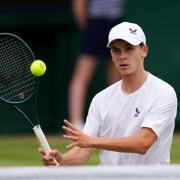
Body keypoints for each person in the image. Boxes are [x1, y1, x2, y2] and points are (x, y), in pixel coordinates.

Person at [39, 22, 177, 165]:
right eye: (116, 50)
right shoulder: (101, 99)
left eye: (129, 49)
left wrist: (93, 141)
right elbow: (83, 151)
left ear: (144, 50)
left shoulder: (163, 92)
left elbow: (143, 143)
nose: (122, 56)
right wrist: (61, 160)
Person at [68, 0, 126, 129]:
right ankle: (76, 123)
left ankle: (117, 122)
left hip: (116, 23)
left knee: (116, 79)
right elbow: (79, 4)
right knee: (82, 76)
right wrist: (89, 29)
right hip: (95, 23)